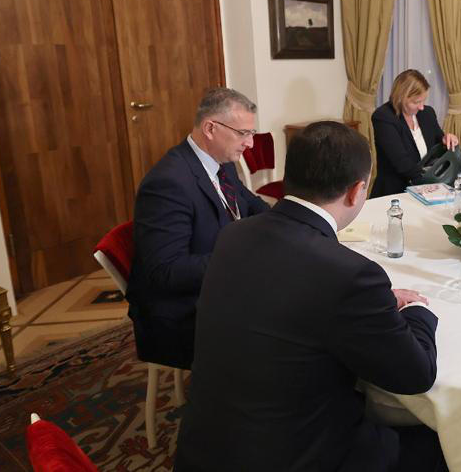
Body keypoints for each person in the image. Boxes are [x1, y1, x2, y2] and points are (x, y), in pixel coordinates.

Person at [176, 121, 445, 472]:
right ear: (356, 191)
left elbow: (290, 292)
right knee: (437, 446)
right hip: (298, 457)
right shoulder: (351, 275)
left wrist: (372, 304)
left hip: (205, 449)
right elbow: (416, 375)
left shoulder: (233, 236)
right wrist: (416, 311)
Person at [127, 87, 269, 369]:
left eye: (251, 133)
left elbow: (249, 203)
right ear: (211, 128)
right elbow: (165, 272)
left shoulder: (221, 161)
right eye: (243, 133)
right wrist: (241, 260)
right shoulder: (168, 184)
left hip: (217, 285)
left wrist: (285, 224)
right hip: (182, 313)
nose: (250, 144)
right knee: (286, 321)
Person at [371, 69, 458, 198]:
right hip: (395, 193)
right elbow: (402, 163)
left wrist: (447, 140)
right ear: (400, 97)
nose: (421, 107)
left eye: (423, 101)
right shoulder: (384, 117)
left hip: (428, 189)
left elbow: (438, 146)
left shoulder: (427, 113)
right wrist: (433, 183)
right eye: (416, 102)